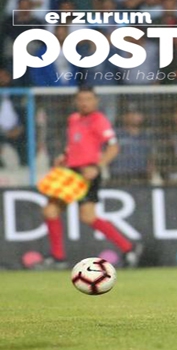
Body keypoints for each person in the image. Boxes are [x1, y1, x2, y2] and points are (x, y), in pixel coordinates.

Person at [40, 86, 143, 269]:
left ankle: (129, 247)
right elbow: (75, 144)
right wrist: (64, 155)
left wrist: (98, 166)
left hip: (88, 173)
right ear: (75, 101)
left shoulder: (99, 120)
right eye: (81, 99)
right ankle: (58, 258)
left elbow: (113, 147)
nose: (84, 102)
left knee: (87, 216)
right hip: (71, 172)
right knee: (50, 211)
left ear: (96, 101)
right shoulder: (73, 119)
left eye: (88, 99)